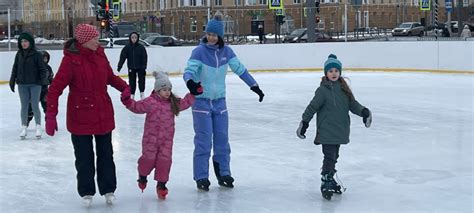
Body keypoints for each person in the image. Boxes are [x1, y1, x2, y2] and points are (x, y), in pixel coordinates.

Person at [45, 24, 130, 207]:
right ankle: (86, 192)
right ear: (84, 41)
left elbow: (110, 77)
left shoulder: (100, 54)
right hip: (80, 115)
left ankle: (108, 189)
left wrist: (124, 87)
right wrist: (50, 114)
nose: (98, 40)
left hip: (102, 113)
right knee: (84, 157)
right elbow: (55, 89)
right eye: (94, 38)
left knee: (106, 154)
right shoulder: (70, 60)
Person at [183, 12, 265, 191]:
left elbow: (240, 69)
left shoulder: (227, 52)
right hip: (201, 103)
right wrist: (190, 83)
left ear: (220, 36)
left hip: (220, 102)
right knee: (204, 141)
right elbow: (188, 71)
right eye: (209, 34)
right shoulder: (199, 51)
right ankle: (201, 177)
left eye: (214, 35)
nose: (211, 37)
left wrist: (254, 86)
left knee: (222, 140)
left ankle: (224, 174)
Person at [296, 54, 372, 201]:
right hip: (326, 130)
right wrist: (304, 122)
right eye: (330, 71)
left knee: (334, 156)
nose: (334, 73)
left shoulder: (344, 89)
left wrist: (363, 111)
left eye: (336, 71)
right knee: (329, 156)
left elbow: (353, 105)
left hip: (340, 129)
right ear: (326, 73)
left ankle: (330, 177)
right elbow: (312, 107)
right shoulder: (322, 91)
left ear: (340, 72)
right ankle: (326, 181)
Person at [121, 71, 195, 200]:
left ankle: (162, 185)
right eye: (164, 89)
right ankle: (142, 176)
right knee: (147, 159)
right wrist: (128, 101)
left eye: (169, 89)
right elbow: (136, 107)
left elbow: (185, 103)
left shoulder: (173, 102)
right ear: (157, 90)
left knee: (165, 161)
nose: (167, 92)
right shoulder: (150, 102)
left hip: (167, 140)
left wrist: (193, 93)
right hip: (150, 139)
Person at [9, 32, 49, 139]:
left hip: (35, 84)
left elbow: (42, 70)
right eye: (22, 41)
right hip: (22, 84)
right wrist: (12, 81)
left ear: (30, 42)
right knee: (24, 106)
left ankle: (38, 126)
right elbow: (15, 68)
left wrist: (43, 83)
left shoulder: (37, 55)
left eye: (26, 41)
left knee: (35, 105)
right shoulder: (19, 54)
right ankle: (24, 126)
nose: (24, 43)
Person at [26, 51, 54, 127]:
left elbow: (51, 78)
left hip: (45, 92)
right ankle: (26, 122)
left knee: (47, 107)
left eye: (46, 58)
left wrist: (52, 86)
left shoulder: (48, 68)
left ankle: (49, 122)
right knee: (31, 108)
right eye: (43, 58)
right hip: (35, 92)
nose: (44, 60)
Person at [117, 32, 148, 100]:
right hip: (131, 67)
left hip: (140, 68)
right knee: (132, 82)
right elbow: (123, 57)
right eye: (132, 37)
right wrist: (120, 66)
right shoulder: (127, 48)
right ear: (130, 38)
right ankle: (132, 94)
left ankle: (142, 93)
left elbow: (144, 58)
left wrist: (144, 67)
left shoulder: (141, 47)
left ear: (137, 38)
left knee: (142, 81)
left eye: (135, 37)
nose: (134, 39)